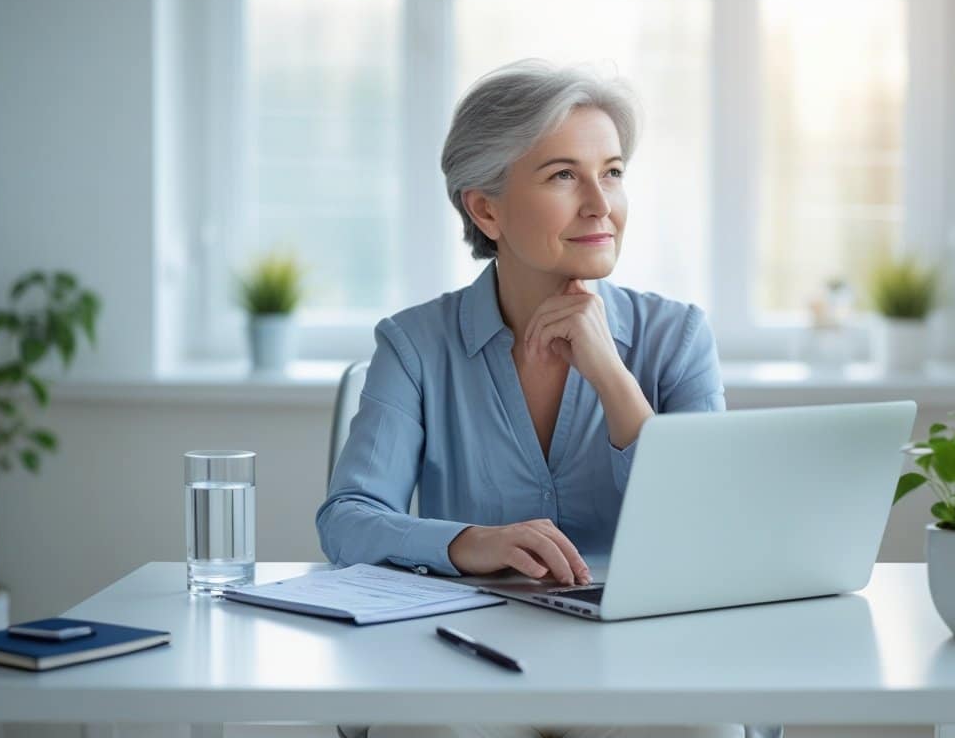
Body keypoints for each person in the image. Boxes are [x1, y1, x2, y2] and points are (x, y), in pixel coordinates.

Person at [317, 59, 740, 738]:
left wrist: (613, 378)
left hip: (639, 660)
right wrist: (468, 542)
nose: (601, 204)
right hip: (463, 658)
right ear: (486, 208)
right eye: (564, 175)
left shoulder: (676, 337)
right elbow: (347, 519)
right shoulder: (416, 344)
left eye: (613, 171)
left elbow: (716, 533)